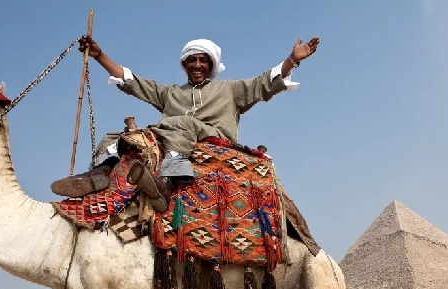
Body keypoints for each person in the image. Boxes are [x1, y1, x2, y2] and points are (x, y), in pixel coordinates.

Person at [51, 35, 320, 210]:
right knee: (119, 137)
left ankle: (166, 180)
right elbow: (134, 82)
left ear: (212, 65)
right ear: (185, 63)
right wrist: (99, 56)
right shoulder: (171, 93)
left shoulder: (230, 90)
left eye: (204, 60)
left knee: (184, 123)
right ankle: (99, 174)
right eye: (192, 59)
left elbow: (264, 83)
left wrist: (292, 60)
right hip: (166, 137)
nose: (198, 64)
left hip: (212, 141)